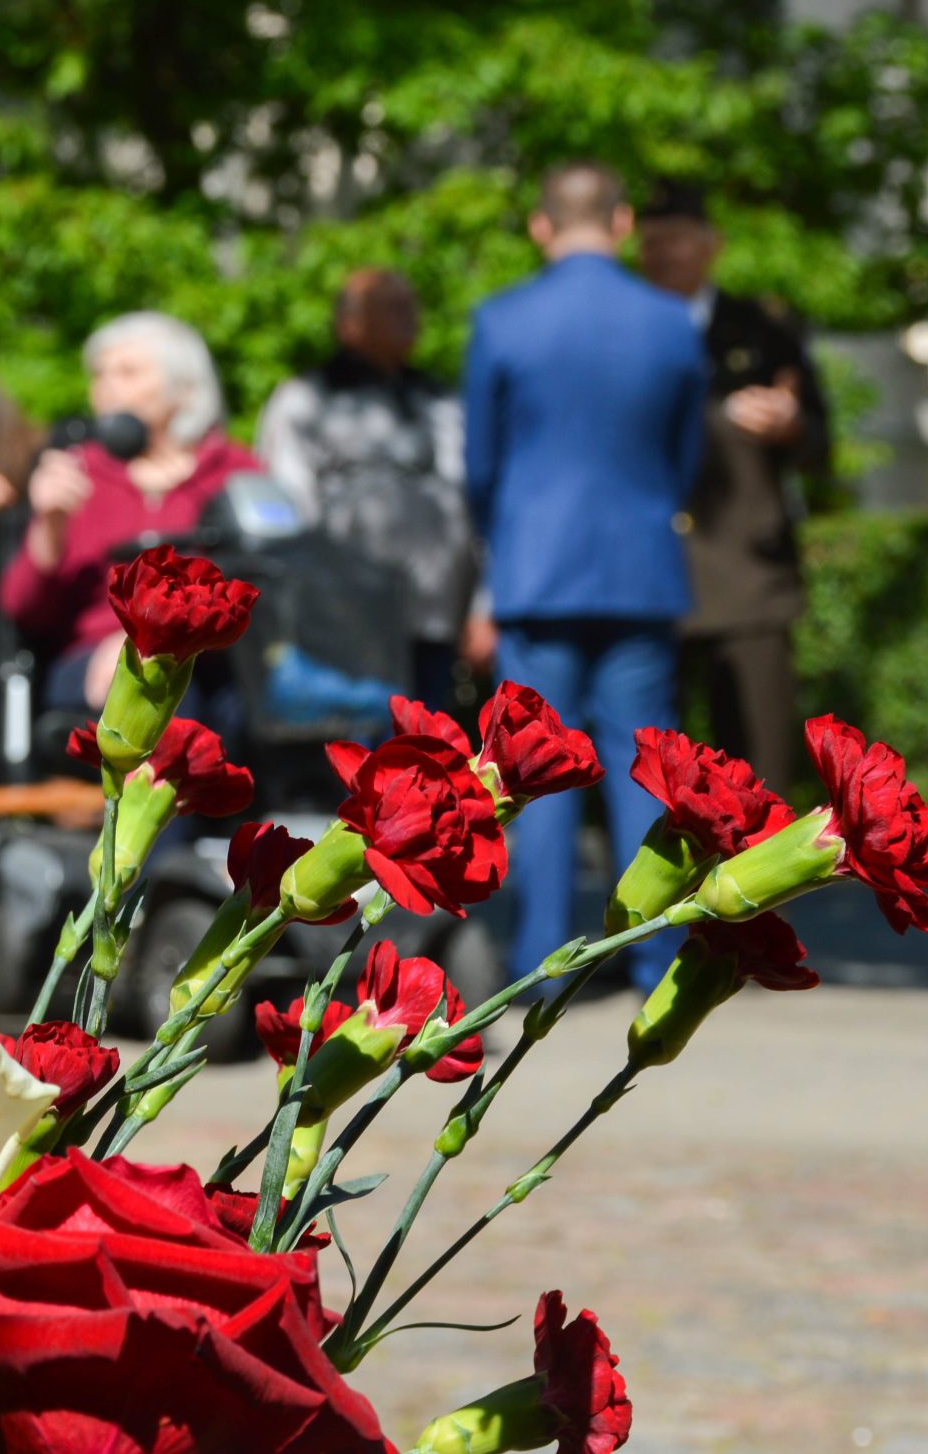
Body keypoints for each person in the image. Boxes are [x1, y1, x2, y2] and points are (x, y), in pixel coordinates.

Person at [465, 162, 707, 983]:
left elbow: (480, 465)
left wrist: (506, 541)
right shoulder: (671, 321)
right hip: (639, 567)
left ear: (541, 225)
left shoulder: (502, 319)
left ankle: (542, 956)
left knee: (535, 772)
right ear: (623, 221)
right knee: (643, 766)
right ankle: (652, 954)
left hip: (537, 571)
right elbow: (685, 456)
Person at [636, 182, 834, 791]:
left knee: (757, 775)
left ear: (711, 245)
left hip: (748, 577)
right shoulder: (622, 327)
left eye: (678, 239)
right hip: (648, 576)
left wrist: (790, 425)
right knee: (652, 775)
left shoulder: (765, 331)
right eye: (652, 242)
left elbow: (821, 449)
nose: (665, 255)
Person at [0, 311, 264, 710]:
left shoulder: (236, 473)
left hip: (216, 662)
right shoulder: (78, 472)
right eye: (100, 375)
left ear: (184, 388)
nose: (106, 387)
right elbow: (23, 609)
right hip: (95, 662)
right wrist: (50, 524)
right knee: (153, 686)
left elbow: (272, 590)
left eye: (128, 372)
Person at [257, 267, 487, 708]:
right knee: (358, 736)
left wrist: (480, 604)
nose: (410, 318)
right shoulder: (308, 398)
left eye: (411, 307)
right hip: (345, 618)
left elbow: (472, 500)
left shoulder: (438, 398)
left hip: (434, 613)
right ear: (350, 323)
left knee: (426, 734)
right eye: (392, 308)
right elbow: (288, 505)